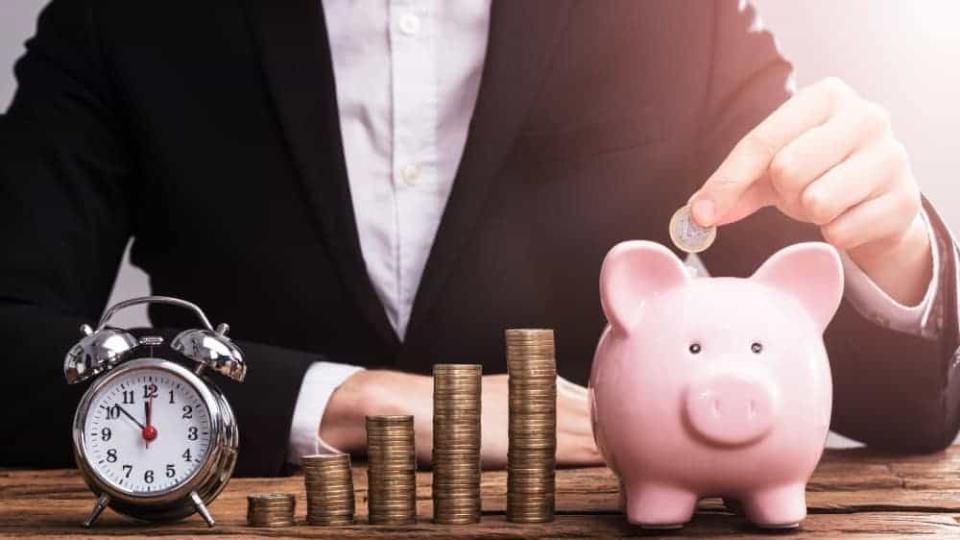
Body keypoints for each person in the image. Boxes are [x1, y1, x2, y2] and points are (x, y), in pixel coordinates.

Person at [1, 0, 957, 477]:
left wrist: (892, 249)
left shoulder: (674, 19)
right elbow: (9, 336)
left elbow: (907, 412)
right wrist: (354, 403)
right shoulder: (124, 18)